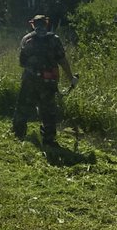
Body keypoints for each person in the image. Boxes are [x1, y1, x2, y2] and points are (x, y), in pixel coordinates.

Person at [12, 14, 77, 145]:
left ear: (33, 25)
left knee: (23, 106)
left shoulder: (26, 39)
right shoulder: (54, 39)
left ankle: (18, 134)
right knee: (48, 110)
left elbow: (22, 62)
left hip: (29, 79)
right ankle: (48, 139)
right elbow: (62, 61)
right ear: (46, 24)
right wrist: (71, 78)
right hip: (48, 81)